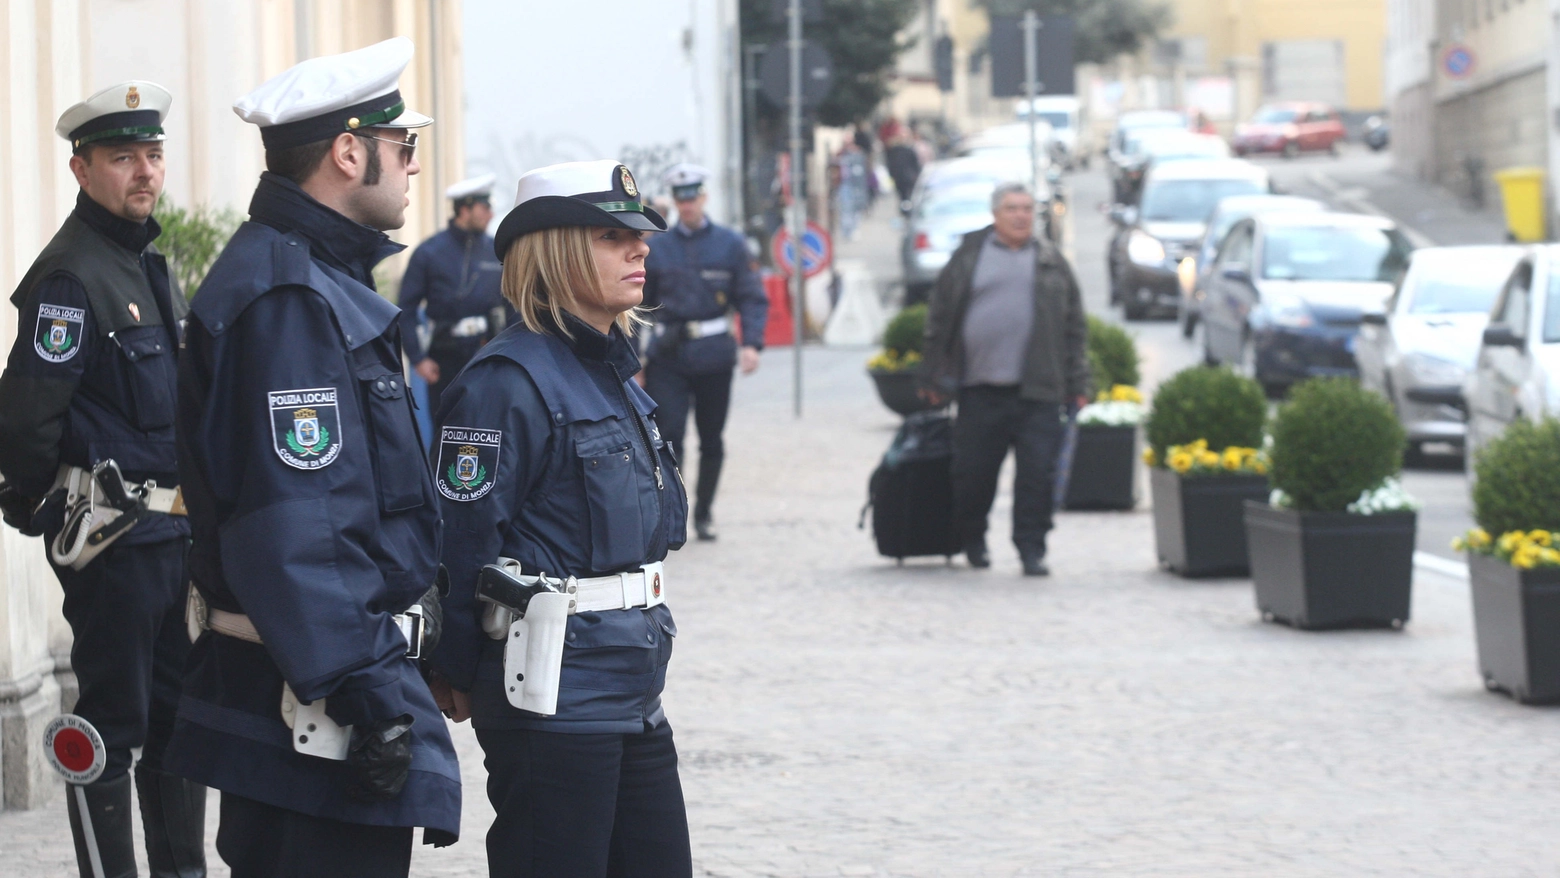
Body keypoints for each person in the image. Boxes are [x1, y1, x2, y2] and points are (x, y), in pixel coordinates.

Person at [169, 38, 460, 877]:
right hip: (314, 702)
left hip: (329, 684)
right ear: (347, 152)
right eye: (404, 147)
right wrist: (369, 689)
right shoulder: (289, 297)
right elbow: (299, 523)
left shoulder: (316, 280)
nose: (411, 167)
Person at [424, 159, 692, 877]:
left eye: (639, 235)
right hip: (553, 697)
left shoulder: (611, 372)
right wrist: (449, 667)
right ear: (556, 251)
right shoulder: (505, 384)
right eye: (612, 236)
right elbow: (458, 537)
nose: (640, 248)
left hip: (633, 686)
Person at [0, 80, 208, 878]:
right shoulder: (70, 278)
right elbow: (24, 424)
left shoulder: (146, 262)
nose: (144, 172)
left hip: (174, 542)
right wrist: (52, 513)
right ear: (81, 168)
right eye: (123, 158)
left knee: (176, 727)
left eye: (152, 155)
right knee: (111, 735)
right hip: (116, 550)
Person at [921, 182, 1089, 577]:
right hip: (979, 390)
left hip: (1039, 389)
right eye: (1012, 209)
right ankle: (973, 538)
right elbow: (939, 319)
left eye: (1028, 209)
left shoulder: (1051, 261)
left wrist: (1078, 383)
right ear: (995, 214)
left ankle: (1032, 548)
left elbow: (1074, 328)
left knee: (1037, 476)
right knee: (974, 475)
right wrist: (931, 375)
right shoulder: (968, 258)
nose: (1021, 216)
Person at [640, 163, 766, 542]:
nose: (687, 204)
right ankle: (670, 514)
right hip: (669, 357)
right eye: (681, 198)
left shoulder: (729, 244)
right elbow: (636, 308)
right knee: (670, 435)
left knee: (711, 438)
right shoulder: (658, 246)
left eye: (693, 196)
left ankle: (705, 513)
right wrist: (632, 361)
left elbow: (752, 297)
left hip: (714, 355)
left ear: (704, 197)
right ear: (675, 201)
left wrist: (752, 344)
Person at [398, 173, 508, 415]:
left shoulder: (496, 251)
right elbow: (405, 309)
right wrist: (417, 359)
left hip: (488, 357)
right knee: (446, 428)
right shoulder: (430, 252)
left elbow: (512, 308)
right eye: (485, 207)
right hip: (444, 360)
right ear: (465, 209)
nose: (490, 214)